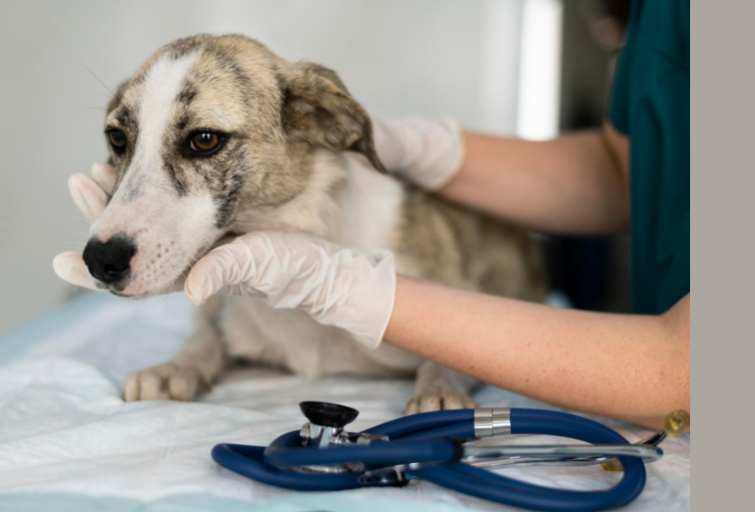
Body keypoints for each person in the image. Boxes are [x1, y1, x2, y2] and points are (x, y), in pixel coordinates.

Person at [57, 0, 688, 430]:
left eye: (201, 141)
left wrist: (364, 299)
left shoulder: (397, 229)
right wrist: (194, 358)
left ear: (317, 122)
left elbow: (687, 372)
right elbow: (629, 167)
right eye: (122, 140)